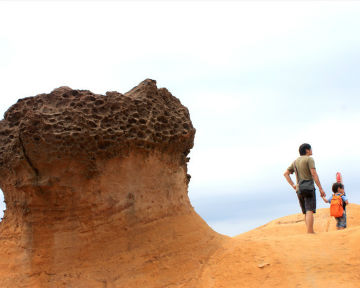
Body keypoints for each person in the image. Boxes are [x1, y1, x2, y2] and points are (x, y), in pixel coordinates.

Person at [283, 143, 326, 233]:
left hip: (299, 189)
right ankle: (310, 232)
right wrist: (321, 188)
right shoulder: (309, 159)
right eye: (310, 149)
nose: (311, 150)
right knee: (310, 210)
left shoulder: (295, 162)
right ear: (307, 150)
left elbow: (286, 174)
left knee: (306, 211)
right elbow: (314, 174)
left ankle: (308, 230)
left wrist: (293, 185)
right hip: (309, 188)